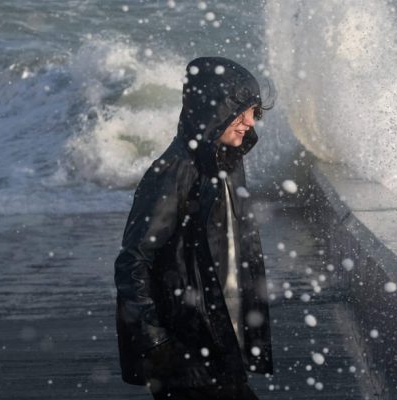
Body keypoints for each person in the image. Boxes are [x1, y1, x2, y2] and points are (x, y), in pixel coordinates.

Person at [114, 57, 273, 400]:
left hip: (215, 346)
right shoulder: (175, 171)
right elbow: (133, 261)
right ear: (213, 111)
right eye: (241, 111)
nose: (249, 122)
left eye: (253, 112)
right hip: (187, 357)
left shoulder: (224, 163)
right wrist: (157, 342)